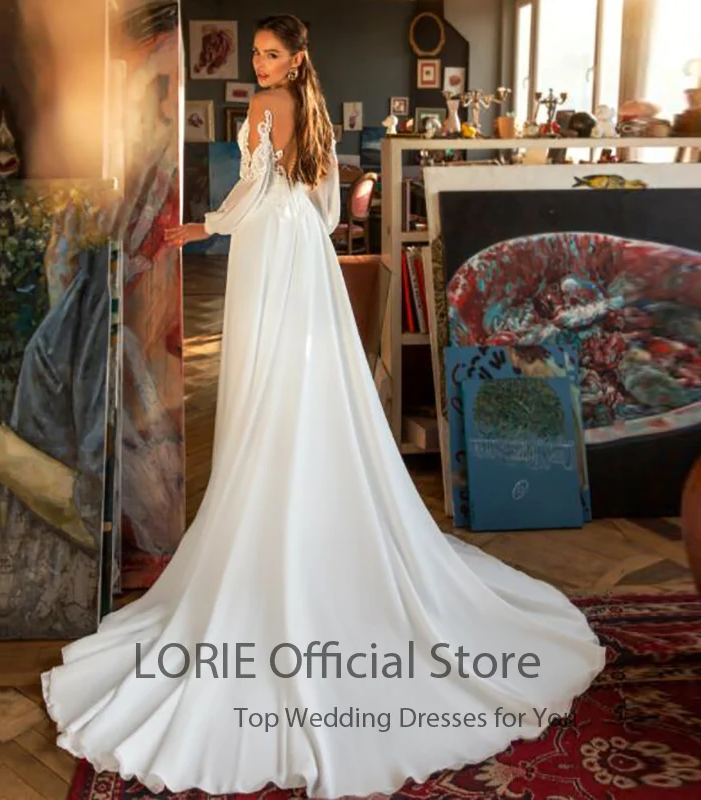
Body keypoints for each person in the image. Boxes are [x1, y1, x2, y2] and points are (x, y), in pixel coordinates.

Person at [40, 14, 606, 798]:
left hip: (268, 251)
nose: (260, 64)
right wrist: (263, 221)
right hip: (303, 249)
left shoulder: (267, 107)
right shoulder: (312, 109)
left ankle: (275, 513)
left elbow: (251, 190)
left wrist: (203, 226)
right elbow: (329, 209)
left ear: (295, 56)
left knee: (267, 382)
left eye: (271, 54)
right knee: (306, 380)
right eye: (257, 54)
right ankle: (308, 501)